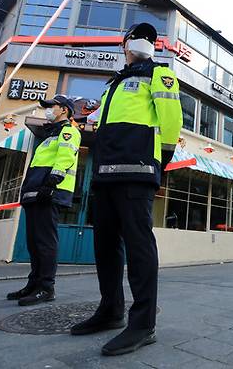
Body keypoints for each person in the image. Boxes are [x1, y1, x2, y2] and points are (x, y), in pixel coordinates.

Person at [70, 22, 182, 356]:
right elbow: (102, 125)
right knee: (104, 245)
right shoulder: (113, 85)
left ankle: (143, 324)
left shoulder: (159, 75)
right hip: (105, 172)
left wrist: (159, 161)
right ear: (124, 45)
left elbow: (172, 119)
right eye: (137, 37)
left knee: (138, 246)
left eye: (149, 38)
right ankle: (111, 310)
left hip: (137, 170)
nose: (142, 42)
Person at [6, 95, 80, 306]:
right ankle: (34, 284)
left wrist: (50, 184)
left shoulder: (68, 131)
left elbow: (65, 159)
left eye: (52, 107)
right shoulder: (50, 135)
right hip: (35, 193)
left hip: (49, 193)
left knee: (45, 242)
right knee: (34, 242)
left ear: (64, 110)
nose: (48, 110)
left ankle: (46, 288)